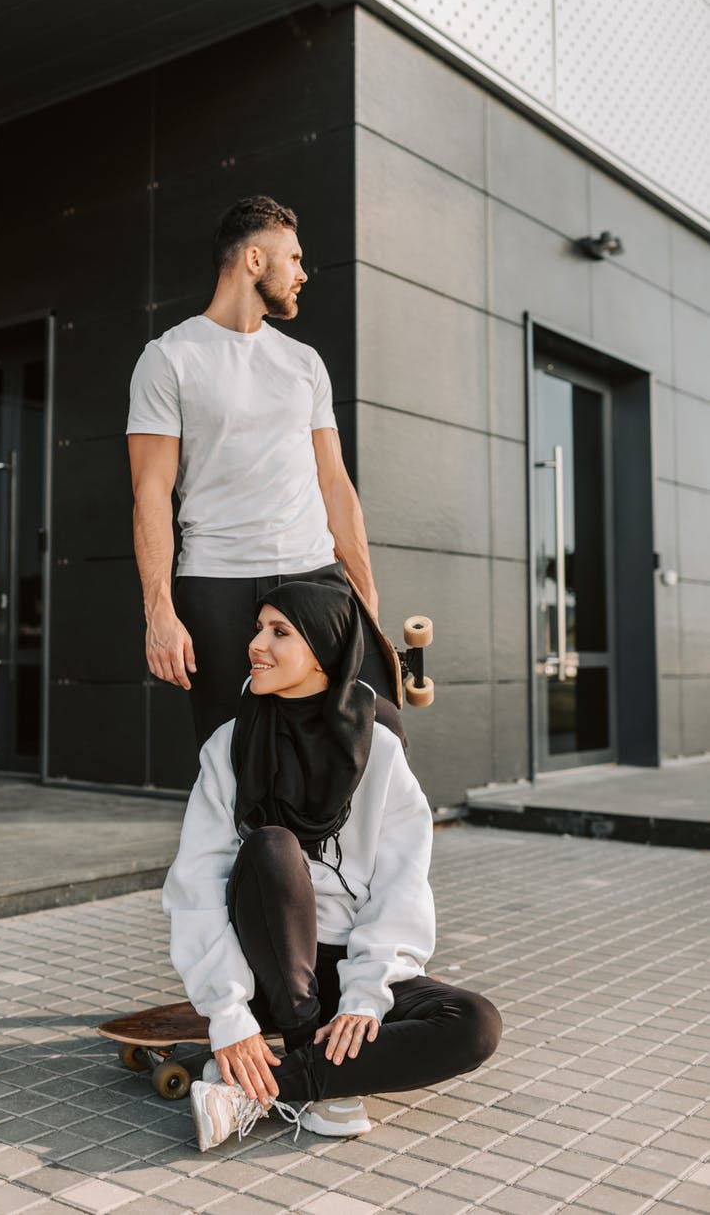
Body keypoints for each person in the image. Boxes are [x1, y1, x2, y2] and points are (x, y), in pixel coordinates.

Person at [162, 581, 501, 1152]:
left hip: (352, 965)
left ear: (323, 649)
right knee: (272, 846)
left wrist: (365, 998)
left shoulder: (382, 750)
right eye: (258, 629)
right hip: (268, 968)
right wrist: (228, 1013)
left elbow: (401, 883)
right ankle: (314, 1058)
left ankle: (264, 1089)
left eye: (279, 632)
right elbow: (195, 883)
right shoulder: (230, 745)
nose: (256, 645)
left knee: (474, 1022)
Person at [126, 195, 396, 748]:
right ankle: (255, 841)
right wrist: (159, 610)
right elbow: (150, 493)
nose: (302, 273)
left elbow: (335, 484)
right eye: (293, 258)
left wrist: (365, 598)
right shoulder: (170, 357)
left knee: (363, 740)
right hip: (217, 583)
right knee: (235, 755)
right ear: (254, 260)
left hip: (313, 575)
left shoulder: (304, 363)